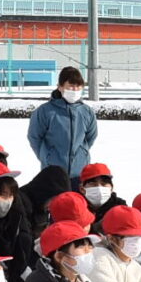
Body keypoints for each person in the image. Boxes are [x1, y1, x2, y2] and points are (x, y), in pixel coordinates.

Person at [27, 66, 98, 202]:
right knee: (54, 206)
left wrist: (82, 153)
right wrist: (46, 156)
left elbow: (91, 136)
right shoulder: (45, 111)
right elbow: (34, 137)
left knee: (77, 207)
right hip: (53, 173)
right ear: (60, 87)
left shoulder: (87, 112)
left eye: (78, 87)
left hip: (79, 173)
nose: (75, 90)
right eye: (71, 86)